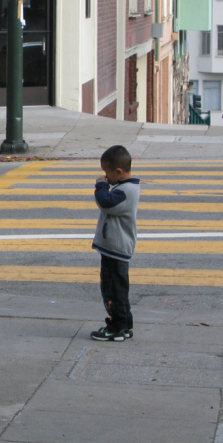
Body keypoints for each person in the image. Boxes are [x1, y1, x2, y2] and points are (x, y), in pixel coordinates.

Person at [90, 145, 140, 342]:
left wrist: (100, 185)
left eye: (106, 173)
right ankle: (125, 324)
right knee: (119, 289)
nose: (105, 177)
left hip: (115, 250)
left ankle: (116, 327)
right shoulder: (125, 187)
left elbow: (105, 202)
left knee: (112, 290)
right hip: (116, 249)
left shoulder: (125, 191)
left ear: (118, 172)